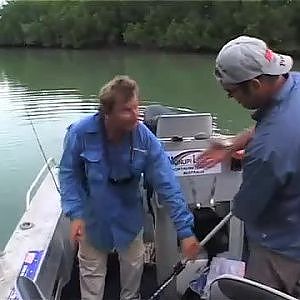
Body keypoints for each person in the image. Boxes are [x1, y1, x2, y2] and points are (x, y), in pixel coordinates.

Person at [59, 75, 200, 300]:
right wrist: (75, 214)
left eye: (137, 107)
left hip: (130, 220)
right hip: (93, 219)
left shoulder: (145, 139)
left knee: (133, 270)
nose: (137, 115)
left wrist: (185, 231)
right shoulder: (80, 133)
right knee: (91, 276)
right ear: (108, 113)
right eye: (127, 110)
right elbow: (68, 174)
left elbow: (167, 185)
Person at [197, 36, 300, 297]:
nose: (231, 99)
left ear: (254, 85)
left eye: (231, 92)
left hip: (282, 249)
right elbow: (274, 123)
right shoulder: (295, 83)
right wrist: (232, 145)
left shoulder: (267, 149)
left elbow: (247, 208)